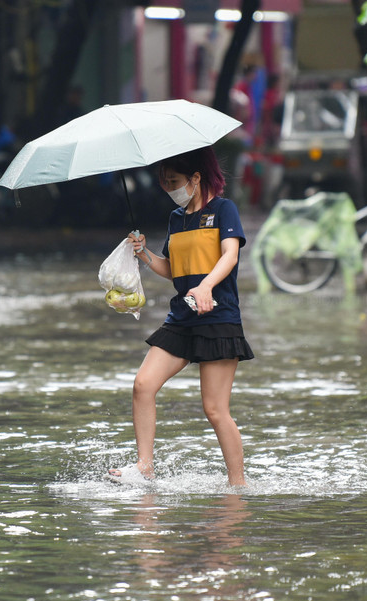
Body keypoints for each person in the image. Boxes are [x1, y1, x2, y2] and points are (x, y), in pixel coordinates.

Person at [107, 146, 254, 487]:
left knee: (215, 409)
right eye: (164, 182)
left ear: (196, 178)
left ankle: (238, 487)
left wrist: (205, 288)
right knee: (143, 385)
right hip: (183, 317)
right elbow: (174, 271)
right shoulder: (176, 219)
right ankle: (144, 466)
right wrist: (144, 253)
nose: (169, 188)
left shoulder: (223, 210)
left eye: (174, 181)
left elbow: (230, 256)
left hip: (219, 317)